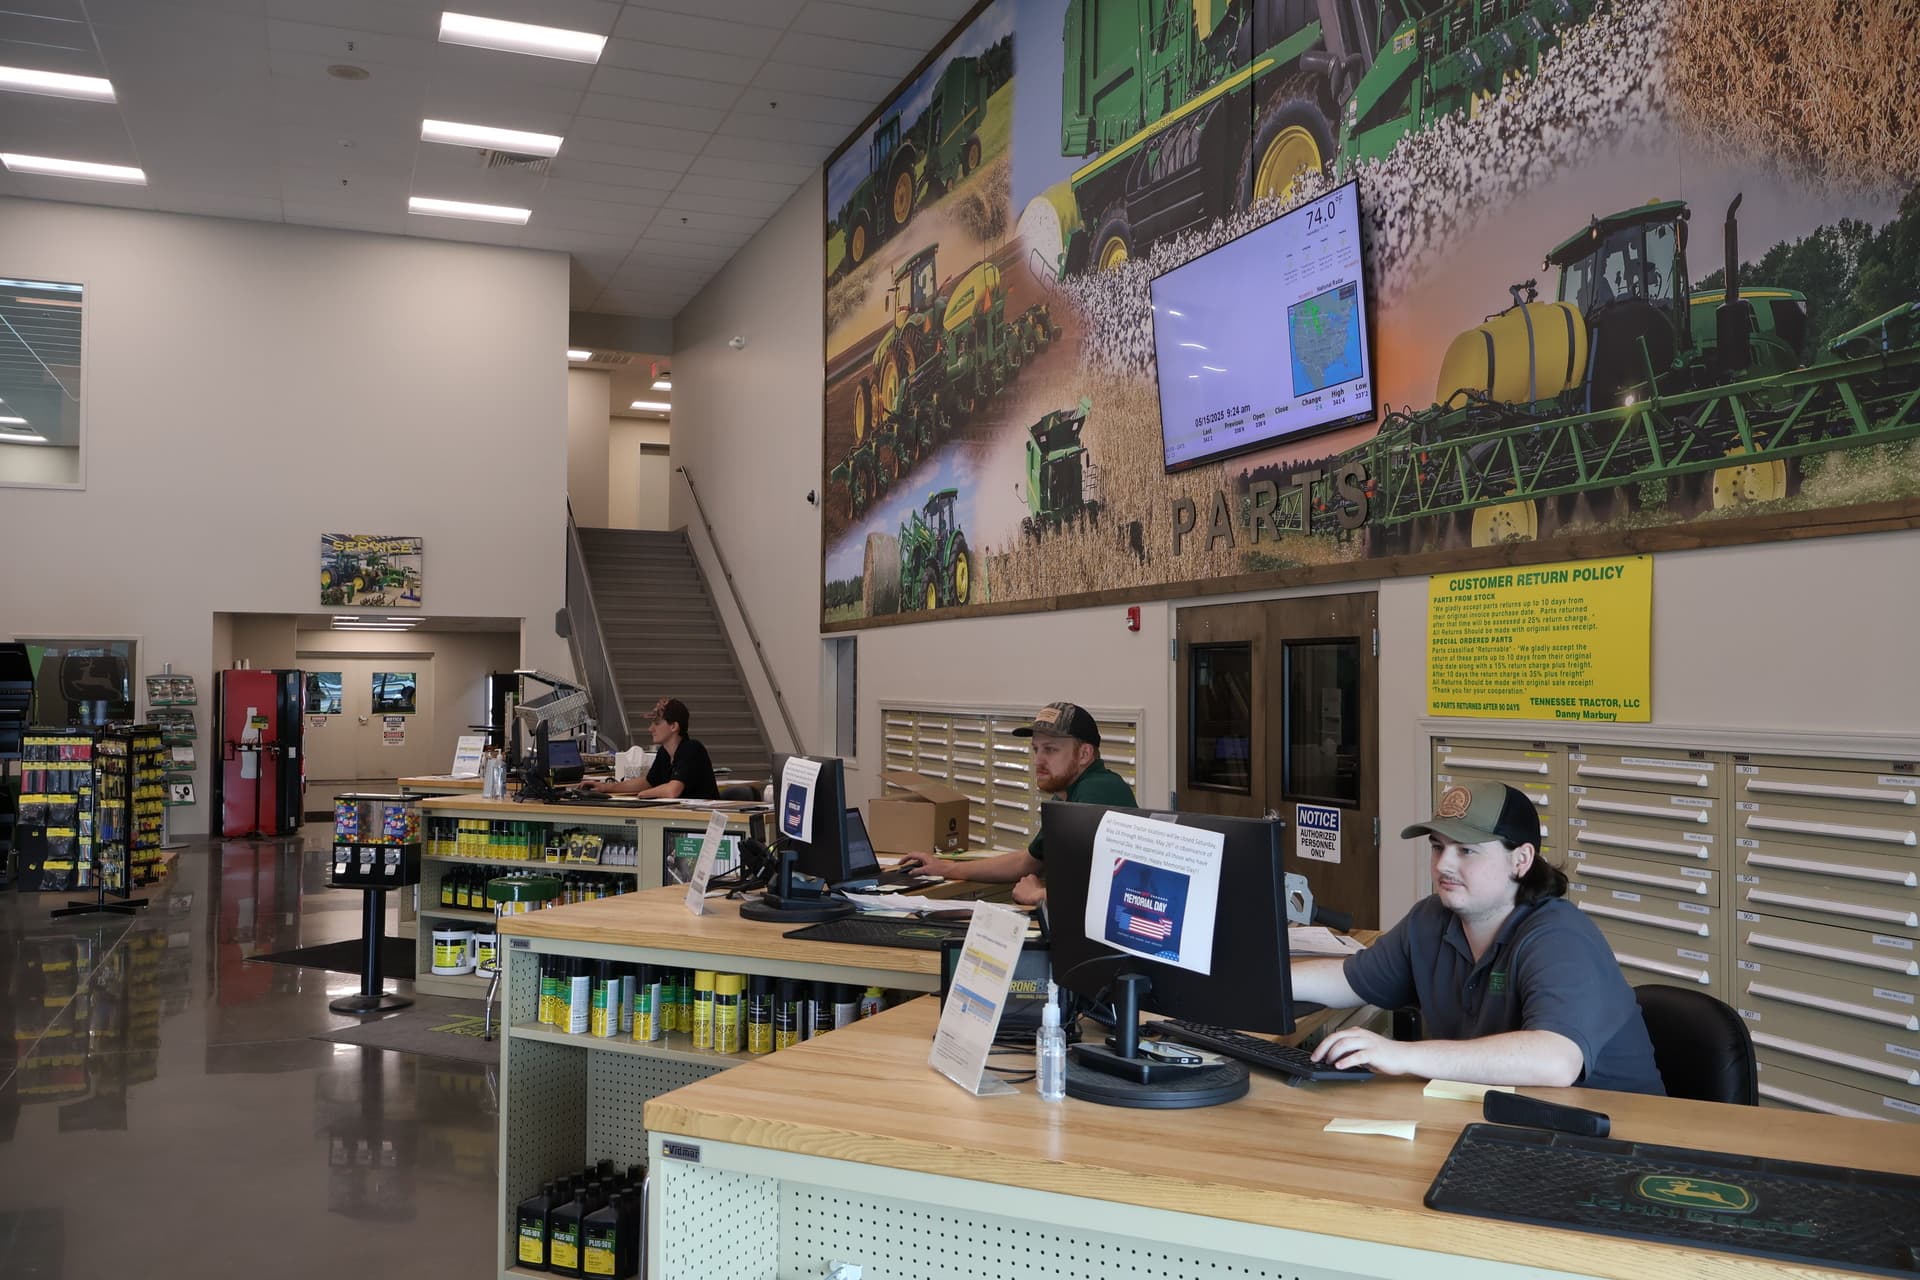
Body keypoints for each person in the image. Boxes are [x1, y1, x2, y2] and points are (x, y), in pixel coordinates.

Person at [1297, 781, 1665, 1095]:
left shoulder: (1560, 937)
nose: (1443, 865)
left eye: (1466, 850)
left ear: (1520, 860)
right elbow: (1349, 979)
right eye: (1438, 847)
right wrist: (1257, 976)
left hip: (1611, 1141)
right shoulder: (1431, 919)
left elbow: (1555, 1061)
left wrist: (1401, 1054)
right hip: (1507, 1124)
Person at [898, 701, 1135, 905]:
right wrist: (946, 868)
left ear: (1084, 754)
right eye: (1035, 749)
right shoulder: (1068, 793)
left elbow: (1107, 892)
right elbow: (1027, 861)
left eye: (1050, 750)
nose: (1038, 760)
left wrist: (1040, 894)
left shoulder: (1097, 791)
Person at [583, 698, 718, 800]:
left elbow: (672, 790)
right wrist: (606, 787)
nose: (650, 729)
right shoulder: (664, 752)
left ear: (673, 726)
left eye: (657, 723)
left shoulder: (691, 749)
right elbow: (648, 782)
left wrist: (643, 795)